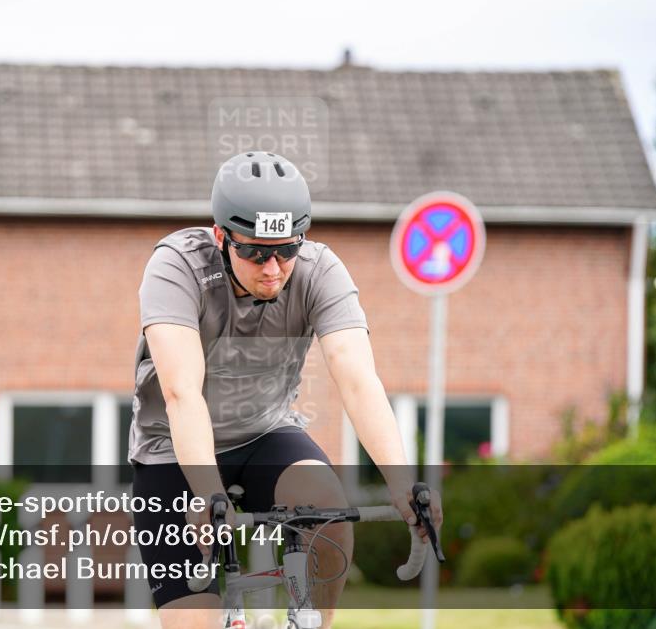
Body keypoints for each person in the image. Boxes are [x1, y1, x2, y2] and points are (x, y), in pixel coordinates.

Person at [129, 152, 442, 628]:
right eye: (255, 252)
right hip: (174, 449)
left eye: (286, 249)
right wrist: (208, 495)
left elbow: (357, 380)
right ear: (221, 237)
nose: (273, 267)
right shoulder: (177, 267)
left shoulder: (320, 271)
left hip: (264, 434)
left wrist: (402, 485)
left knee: (327, 505)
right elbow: (181, 392)